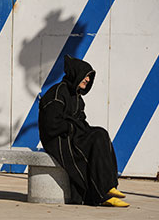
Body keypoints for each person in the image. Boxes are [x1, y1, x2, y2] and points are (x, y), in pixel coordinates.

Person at [38, 55, 129, 207]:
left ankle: (108, 187)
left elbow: (81, 122)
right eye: (85, 76)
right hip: (57, 140)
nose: (87, 80)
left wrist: (78, 129)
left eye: (89, 77)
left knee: (100, 134)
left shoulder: (78, 98)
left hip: (70, 136)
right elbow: (51, 126)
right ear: (75, 74)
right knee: (94, 139)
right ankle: (102, 193)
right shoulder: (57, 93)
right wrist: (74, 127)